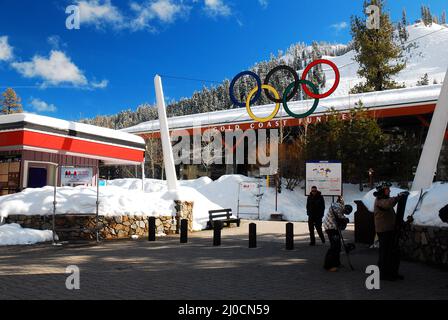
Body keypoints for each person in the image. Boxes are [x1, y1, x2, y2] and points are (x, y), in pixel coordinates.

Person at [373, 182, 407, 281]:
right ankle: (384, 274)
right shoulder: (380, 200)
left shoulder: (385, 199)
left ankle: (393, 272)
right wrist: (397, 197)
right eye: (387, 189)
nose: (390, 191)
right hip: (384, 231)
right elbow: (388, 204)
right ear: (382, 191)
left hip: (390, 230)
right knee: (385, 253)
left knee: (393, 252)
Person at [323, 198, 351, 271]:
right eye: (345, 212)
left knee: (338, 246)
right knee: (334, 246)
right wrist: (344, 220)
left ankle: (336, 263)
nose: (344, 214)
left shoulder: (339, 208)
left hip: (334, 228)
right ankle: (328, 266)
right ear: (345, 209)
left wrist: (344, 220)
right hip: (330, 228)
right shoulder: (337, 207)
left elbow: (340, 218)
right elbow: (339, 217)